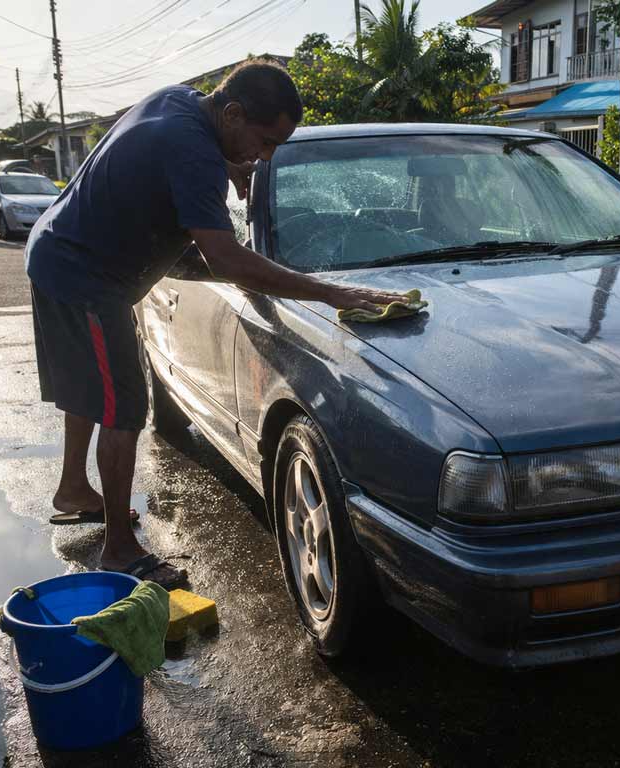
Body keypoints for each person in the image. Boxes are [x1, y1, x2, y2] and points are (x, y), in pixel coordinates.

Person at [25, 59, 405, 589]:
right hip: (84, 273)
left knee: (95, 389)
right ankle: (118, 549)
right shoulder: (195, 151)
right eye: (265, 141)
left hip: (60, 248)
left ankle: (72, 490)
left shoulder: (181, 101)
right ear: (231, 113)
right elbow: (228, 260)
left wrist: (226, 167)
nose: (264, 158)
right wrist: (333, 291)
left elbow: (171, 157)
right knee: (124, 405)